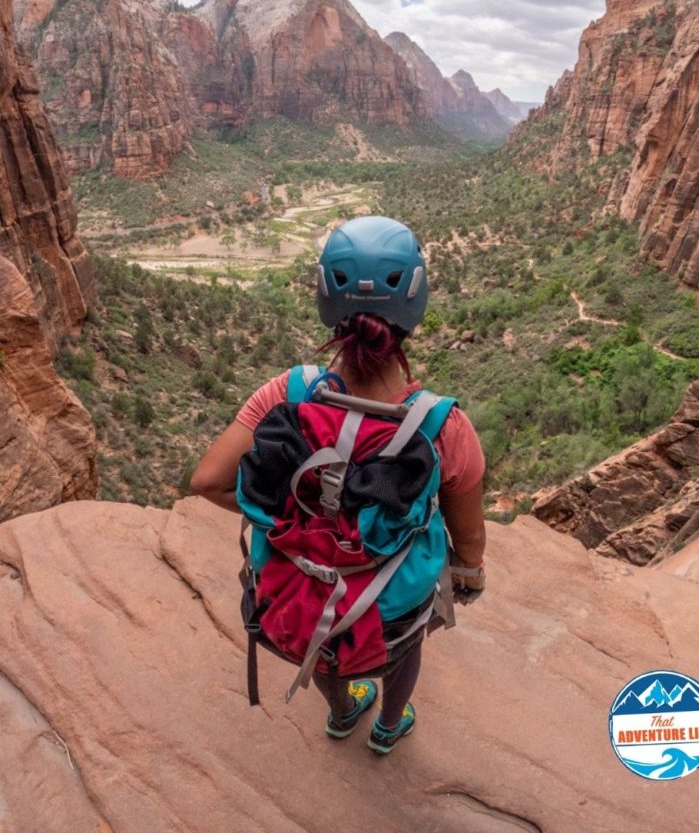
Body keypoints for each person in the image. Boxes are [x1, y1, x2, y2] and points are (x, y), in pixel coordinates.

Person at [191, 215, 486, 753]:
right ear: (413, 309)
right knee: (401, 648)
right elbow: (468, 541)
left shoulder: (290, 390)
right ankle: (390, 725)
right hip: (388, 604)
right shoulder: (444, 426)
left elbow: (208, 480)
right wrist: (471, 575)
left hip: (295, 593)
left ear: (326, 299)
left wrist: (288, 515)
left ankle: (344, 709)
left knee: (324, 644)